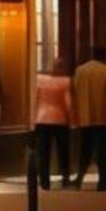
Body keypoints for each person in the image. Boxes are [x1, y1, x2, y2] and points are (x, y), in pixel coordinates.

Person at [72, 47, 106, 191]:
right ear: (104, 56)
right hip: (102, 118)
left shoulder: (80, 71)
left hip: (85, 117)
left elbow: (74, 93)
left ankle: (79, 178)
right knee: (104, 152)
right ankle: (103, 183)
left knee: (85, 149)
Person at [34, 57, 73, 189]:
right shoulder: (65, 82)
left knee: (43, 151)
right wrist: (71, 117)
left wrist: (33, 117)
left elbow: (35, 99)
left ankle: (44, 181)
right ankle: (65, 178)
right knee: (63, 150)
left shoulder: (40, 80)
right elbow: (68, 102)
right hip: (60, 119)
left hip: (42, 118)